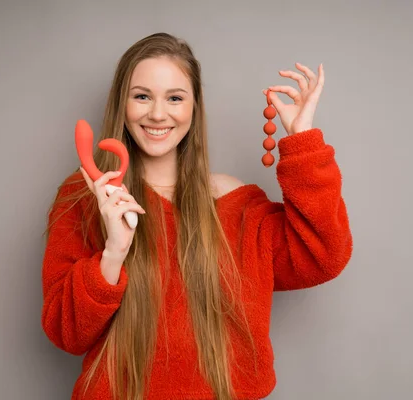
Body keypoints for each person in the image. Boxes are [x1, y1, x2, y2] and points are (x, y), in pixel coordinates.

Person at [41, 32, 352, 400]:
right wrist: (113, 254)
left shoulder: (237, 204)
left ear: (194, 107)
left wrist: (302, 139)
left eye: (175, 98)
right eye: (142, 96)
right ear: (121, 104)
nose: (158, 113)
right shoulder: (87, 195)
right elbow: (66, 332)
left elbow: (323, 255)